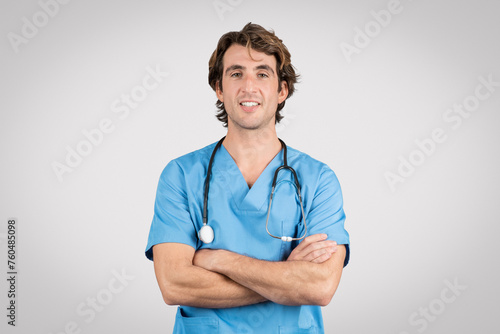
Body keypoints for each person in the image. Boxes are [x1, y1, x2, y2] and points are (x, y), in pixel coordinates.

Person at [145, 22, 350, 333]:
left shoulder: (318, 180)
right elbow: (174, 284)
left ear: (282, 90)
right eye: (236, 73)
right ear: (219, 87)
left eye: (263, 74)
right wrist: (287, 279)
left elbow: (320, 287)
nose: (249, 87)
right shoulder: (181, 175)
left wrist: (219, 260)